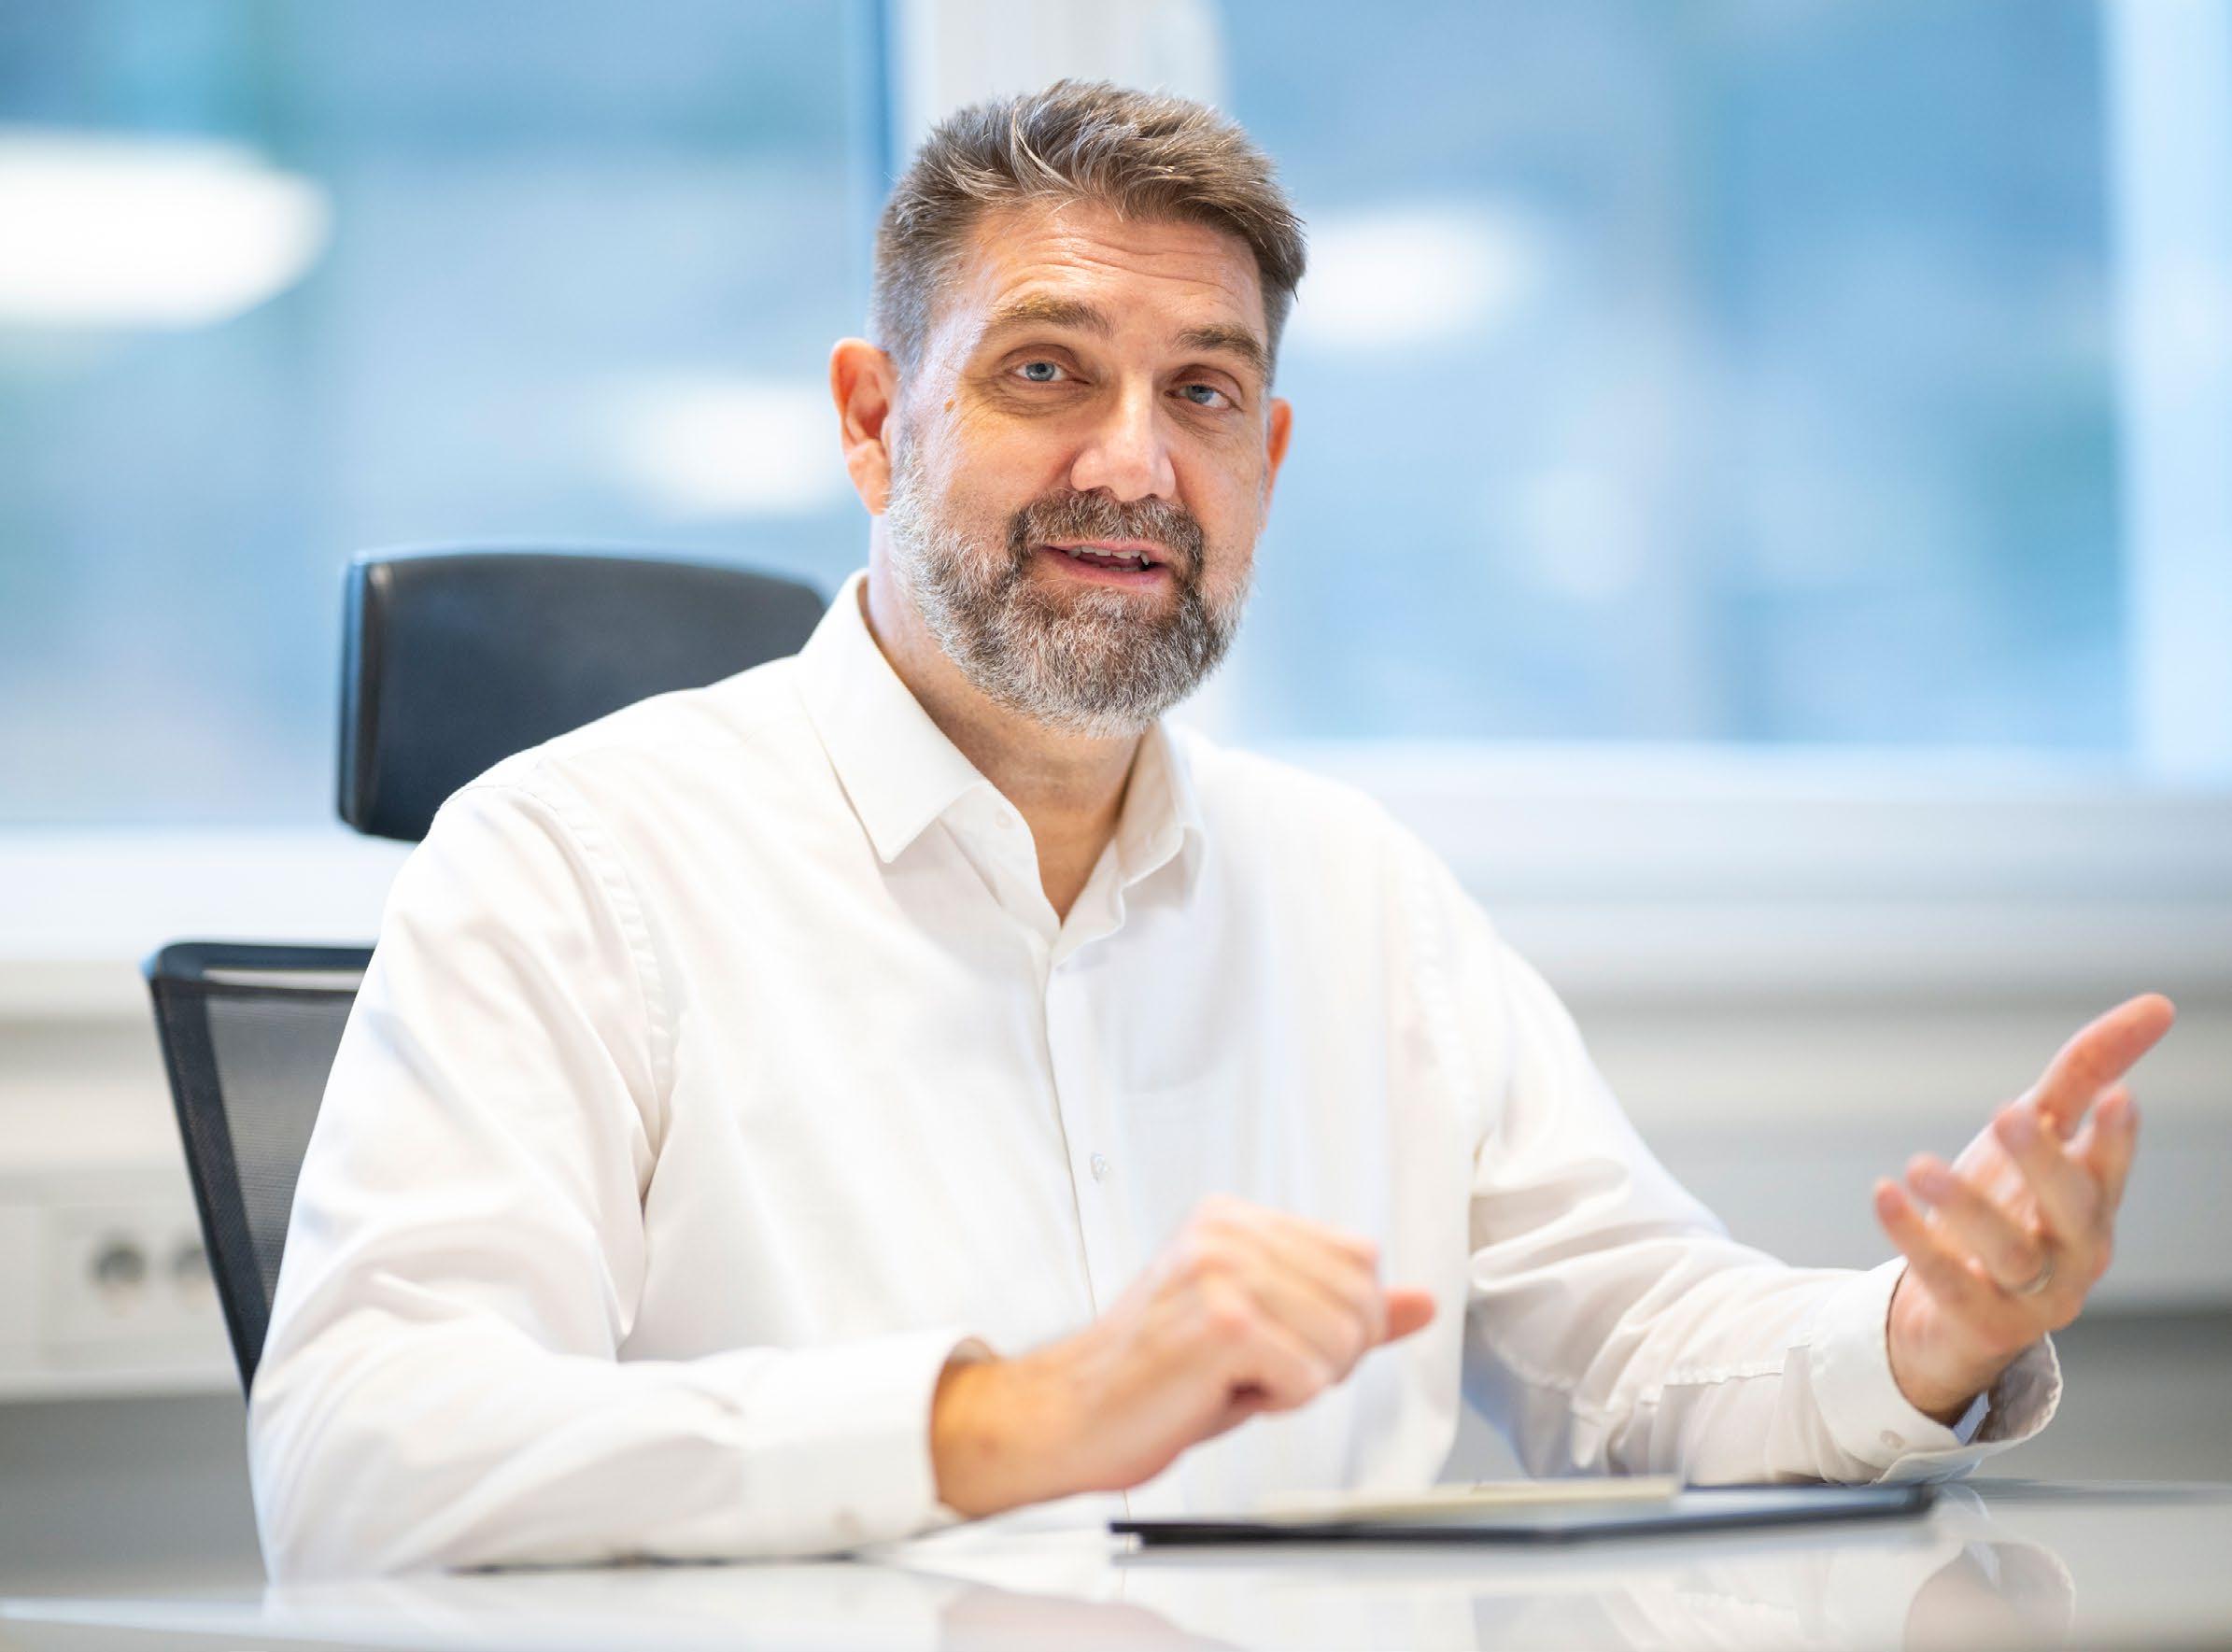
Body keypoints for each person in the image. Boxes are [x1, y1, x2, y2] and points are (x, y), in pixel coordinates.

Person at [248, 80, 2175, 1578]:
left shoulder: (1360, 896)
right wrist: (994, 1422)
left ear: (1268, 457)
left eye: (1202, 393)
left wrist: (1918, 1335)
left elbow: (1633, 1344)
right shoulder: (571, 864)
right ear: (870, 418)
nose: (1132, 463)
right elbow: (361, 1457)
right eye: (1044, 372)